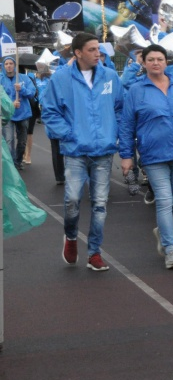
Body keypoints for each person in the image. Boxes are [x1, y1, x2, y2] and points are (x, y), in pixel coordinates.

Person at [40, 33, 124, 272]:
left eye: (99, 49)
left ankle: (94, 253)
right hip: (76, 151)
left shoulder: (110, 76)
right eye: (92, 49)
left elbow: (120, 107)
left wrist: (113, 132)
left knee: (99, 204)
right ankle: (71, 237)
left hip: (103, 151)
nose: (98, 53)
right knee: (73, 200)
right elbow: (49, 112)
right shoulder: (61, 78)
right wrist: (70, 134)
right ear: (78, 53)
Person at [119, 44, 173, 269]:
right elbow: (127, 125)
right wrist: (126, 156)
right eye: (151, 59)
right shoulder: (136, 90)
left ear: (166, 62)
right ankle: (170, 249)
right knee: (165, 201)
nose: (156, 63)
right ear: (144, 63)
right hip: (153, 153)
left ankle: (162, 230)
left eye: (160, 59)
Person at [1, 56, 36, 170]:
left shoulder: (24, 78)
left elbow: (32, 93)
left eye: (11, 63)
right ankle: (12, 166)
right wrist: (11, 104)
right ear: (3, 66)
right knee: (9, 140)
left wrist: (22, 89)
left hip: (23, 114)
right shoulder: (1, 79)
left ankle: (18, 160)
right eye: (6, 64)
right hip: (8, 114)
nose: (9, 65)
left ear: (15, 65)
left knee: (22, 142)